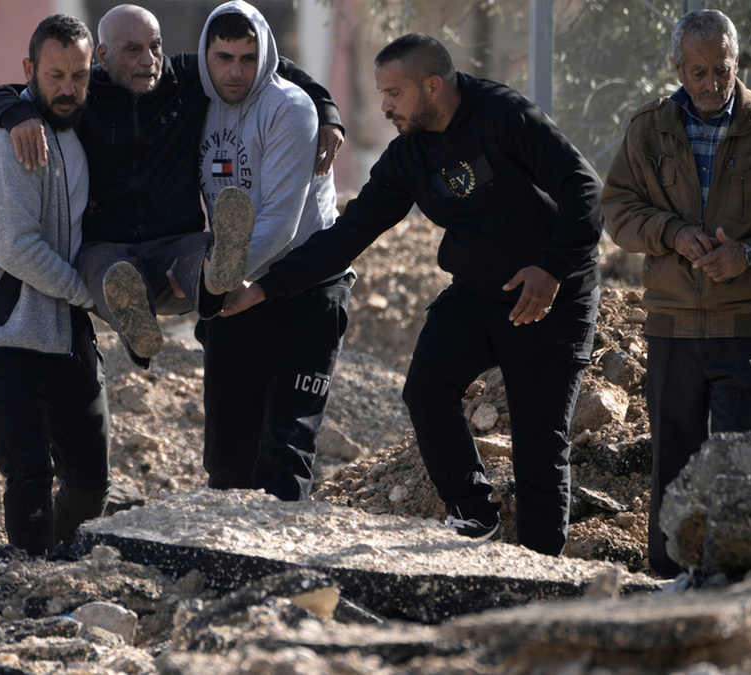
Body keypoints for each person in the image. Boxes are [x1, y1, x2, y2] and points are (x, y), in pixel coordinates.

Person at [222, 33, 604, 556]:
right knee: (426, 388)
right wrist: (264, 288)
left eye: (394, 93)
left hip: (551, 298)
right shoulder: (409, 155)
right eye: (382, 94)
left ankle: (540, 574)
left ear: (433, 86)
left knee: (538, 443)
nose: (384, 107)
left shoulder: (504, 116)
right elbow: (348, 234)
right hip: (476, 294)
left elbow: (583, 188)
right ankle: (473, 510)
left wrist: (553, 268)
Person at [0, 4, 344, 366]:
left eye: (155, 46)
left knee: (203, 254)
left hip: (177, 245)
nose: (149, 60)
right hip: (108, 244)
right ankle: (139, 329)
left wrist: (325, 109)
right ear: (103, 56)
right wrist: (17, 113)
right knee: (103, 268)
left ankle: (216, 278)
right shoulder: (83, 90)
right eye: (133, 50)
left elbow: (269, 64)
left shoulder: (186, 79)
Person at [600, 9, 751, 578]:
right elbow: (618, 210)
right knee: (672, 466)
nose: (710, 83)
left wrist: (748, 252)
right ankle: (666, 582)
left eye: (721, 70)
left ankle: (729, 581)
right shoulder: (648, 127)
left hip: (748, 323)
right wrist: (672, 233)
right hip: (672, 323)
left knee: (739, 468)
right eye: (698, 72)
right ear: (678, 68)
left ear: (736, 62)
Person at [0, 14, 110, 557]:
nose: (68, 89)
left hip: (65, 330)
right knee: (30, 475)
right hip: (3, 335)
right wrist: (91, 296)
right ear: (29, 70)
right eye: (55, 75)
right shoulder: (11, 143)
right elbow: (16, 249)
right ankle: (30, 582)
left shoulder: (86, 126)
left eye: (79, 76)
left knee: (91, 479)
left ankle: (61, 564)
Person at [189, 1, 349, 500]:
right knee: (226, 461)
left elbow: (280, 224)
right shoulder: (193, 101)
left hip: (303, 288)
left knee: (284, 456)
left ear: (266, 57)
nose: (235, 71)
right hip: (231, 287)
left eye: (248, 58)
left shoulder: (290, 107)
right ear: (205, 56)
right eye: (224, 58)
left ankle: (280, 555)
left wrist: (212, 285)